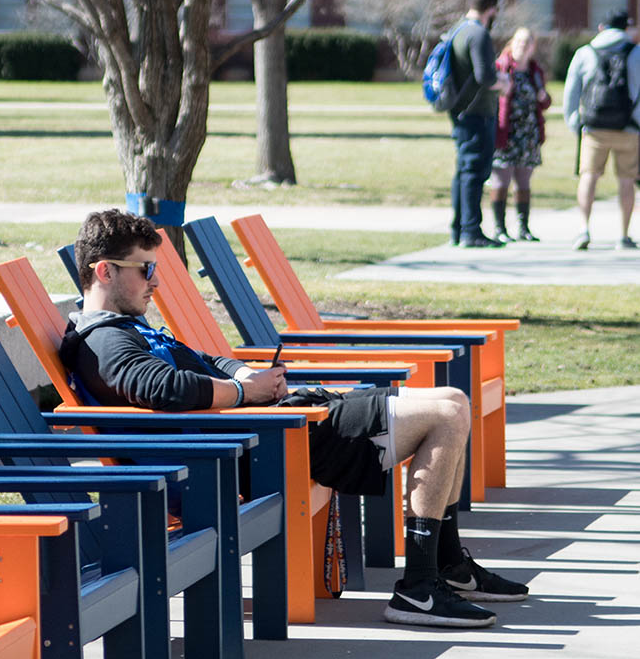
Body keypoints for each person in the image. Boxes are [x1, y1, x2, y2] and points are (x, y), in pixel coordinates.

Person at [60, 209, 530, 628]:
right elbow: (164, 389)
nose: (155, 281)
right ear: (104, 271)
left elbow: (206, 361)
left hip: (273, 428)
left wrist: (250, 377)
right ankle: (421, 586)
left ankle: (447, 564)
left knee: (452, 398)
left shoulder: (131, 330)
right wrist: (247, 393)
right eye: (146, 270)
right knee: (444, 416)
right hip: (261, 448)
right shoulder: (104, 344)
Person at [563, 8, 640, 250]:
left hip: (593, 128)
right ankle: (623, 235)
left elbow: (571, 92)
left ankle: (583, 229)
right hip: (629, 127)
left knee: (588, 177)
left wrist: (575, 122)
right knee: (626, 180)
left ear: (601, 28)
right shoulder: (636, 53)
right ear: (625, 28)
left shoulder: (585, 52)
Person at [447, 0, 508, 248]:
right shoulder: (479, 34)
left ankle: (459, 229)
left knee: (463, 171)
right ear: (491, 7)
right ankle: (471, 231)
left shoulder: (458, 30)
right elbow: (485, 77)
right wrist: (503, 81)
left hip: (460, 111)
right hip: (477, 113)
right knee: (474, 172)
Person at [491, 27, 551, 242]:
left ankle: (523, 228)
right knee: (501, 180)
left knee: (524, 182)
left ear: (532, 47)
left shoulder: (535, 71)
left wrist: (543, 96)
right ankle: (500, 228)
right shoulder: (502, 66)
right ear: (512, 42)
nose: (522, 46)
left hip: (528, 134)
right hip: (506, 132)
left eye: (526, 43)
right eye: (518, 42)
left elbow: (544, 102)